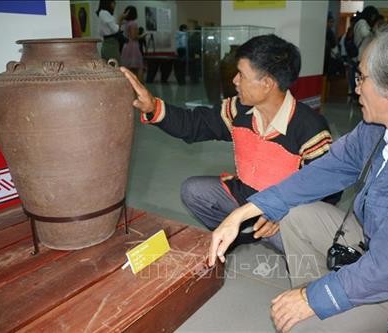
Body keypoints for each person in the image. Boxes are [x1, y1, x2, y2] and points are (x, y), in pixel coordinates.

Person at [208, 20, 388, 332]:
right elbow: (319, 174)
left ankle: (321, 310)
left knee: (305, 319)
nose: (355, 86)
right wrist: (244, 212)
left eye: (362, 77)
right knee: (296, 214)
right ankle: (322, 304)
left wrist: (314, 298)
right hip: (371, 242)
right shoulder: (376, 129)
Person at [120, 34, 339, 252]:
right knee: (194, 191)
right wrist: (153, 107)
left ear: (267, 84)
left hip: (283, 210)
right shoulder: (238, 110)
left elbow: (328, 190)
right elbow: (193, 124)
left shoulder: (310, 128)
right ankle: (236, 236)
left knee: (301, 245)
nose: (234, 80)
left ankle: (279, 243)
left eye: (241, 74)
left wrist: (285, 214)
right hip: (244, 196)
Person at [120, 6, 144, 82]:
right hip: (133, 46)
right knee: (139, 67)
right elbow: (134, 37)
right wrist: (143, 35)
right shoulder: (133, 23)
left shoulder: (125, 23)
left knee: (128, 68)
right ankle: (140, 86)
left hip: (126, 45)